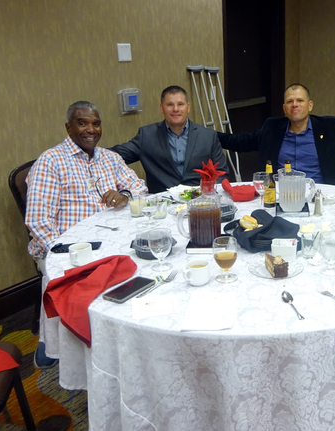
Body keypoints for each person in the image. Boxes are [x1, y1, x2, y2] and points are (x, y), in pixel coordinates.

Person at [25, 101, 147, 368]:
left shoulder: (110, 158)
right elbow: (38, 221)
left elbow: (140, 189)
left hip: (113, 237)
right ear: (69, 127)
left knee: (146, 264)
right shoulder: (51, 162)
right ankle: (56, 340)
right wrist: (66, 254)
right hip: (66, 246)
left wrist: (125, 195)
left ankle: (122, 336)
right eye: (82, 123)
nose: (91, 129)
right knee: (89, 276)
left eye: (95, 123)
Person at [217, 83, 335, 185]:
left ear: (310, 105)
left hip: (320, 196)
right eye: (290, 101)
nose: (294, 105)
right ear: (284, 108)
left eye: (300, 101)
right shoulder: (272, 128)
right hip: (279, 197)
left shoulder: (330, 127)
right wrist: (205, 136)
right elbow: (239, 141)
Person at [110, 85, 229, 192]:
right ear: (162, 108)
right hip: (163, 205)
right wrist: (92, 152)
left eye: (180, 104)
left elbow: (221, 173)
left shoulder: (208, 136)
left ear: (188, 108)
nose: (175, 109)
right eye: (170, 105)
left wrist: (207, 193)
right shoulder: (147, 136)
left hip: (200, 201)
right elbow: (116, 156)